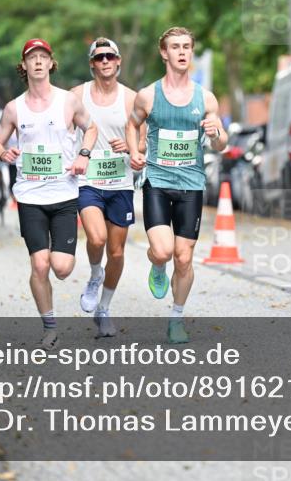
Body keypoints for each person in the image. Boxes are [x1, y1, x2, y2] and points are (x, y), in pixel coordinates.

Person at [0, 38, 97, 350]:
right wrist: (2, 153)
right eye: (31, 57)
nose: (37, 61)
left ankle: (63, 274)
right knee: (39, 265)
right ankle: (49, 327)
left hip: (64, 194)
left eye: (43, 57)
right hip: (30, 196)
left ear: (51, 63)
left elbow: (91, 128)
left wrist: (84, 155)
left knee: (61, 268)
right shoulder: (14, 108)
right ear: (23, 66)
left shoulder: (68, 102)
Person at [127, 27, 227, 344]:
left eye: (186, 47)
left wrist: (215, 134)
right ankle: (158, 267)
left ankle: (177, 318)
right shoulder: (148, 95)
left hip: (192, 185)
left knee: (184, 258)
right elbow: (132, 123)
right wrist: (134, 152)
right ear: (164, 53)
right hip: (157, 180)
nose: (182, 52)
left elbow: (222, 144)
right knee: (163, 250)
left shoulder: (205, 98)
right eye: (175, 47)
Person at [70, 38, 143, 338]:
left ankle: (104, 309)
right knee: (97, 239)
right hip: (88, 181)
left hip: (120, 183)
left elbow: (145, 140)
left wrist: (131, 146)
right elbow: (59, 126)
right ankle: (94, 275)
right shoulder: (76, 95)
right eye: (99, 57)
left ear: (119, 61)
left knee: (116, 251)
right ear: (92, 64)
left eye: (109, 56)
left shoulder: (131, 99)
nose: (104, 62)